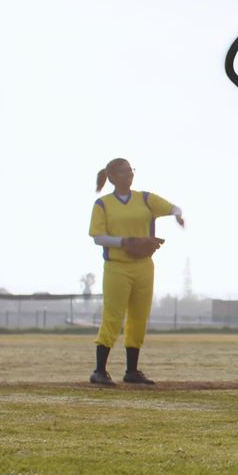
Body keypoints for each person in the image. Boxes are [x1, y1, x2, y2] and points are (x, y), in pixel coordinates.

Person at [88, 158, 185, 385]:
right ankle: (99, 370)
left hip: (144, 265)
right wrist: (126, 241)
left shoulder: (145, 199)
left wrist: (178, 214)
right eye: (123, 172)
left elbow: (172, 207)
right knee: (113, 316)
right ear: (112, 177)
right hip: (117, 266)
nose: (128, 175)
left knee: (139, 316)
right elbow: (97, 237)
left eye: (130, 170)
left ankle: (132, 371)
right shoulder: (103, 204)